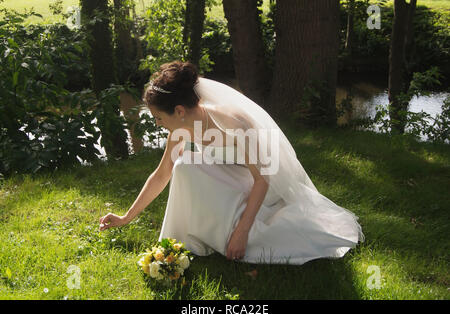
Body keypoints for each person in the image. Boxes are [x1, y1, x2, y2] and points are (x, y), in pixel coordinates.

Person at [99, 60, 364, 265]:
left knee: (269, 235)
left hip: (259, 184)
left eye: (158, 117)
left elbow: (263, 179)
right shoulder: (180, 127)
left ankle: (230, 228)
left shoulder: (230, 122)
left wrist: (242, 232)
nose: (158, 123)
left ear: (179, 111)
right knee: (183, 165)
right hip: (228, 179)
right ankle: (197, 235)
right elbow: (162, 173)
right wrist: (126, 217)